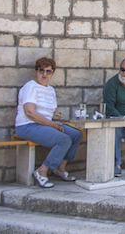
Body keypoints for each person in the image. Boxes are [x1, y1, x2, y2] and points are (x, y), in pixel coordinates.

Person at [15, 57, 82, 188]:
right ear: (36, 71)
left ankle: (60, 169)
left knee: (75, 134)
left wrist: (61, 122)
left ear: (52, 73)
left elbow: (54, 113)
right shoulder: (30, 87)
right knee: (63, 140)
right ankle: (42, 171)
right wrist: (53, 125)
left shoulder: (50, 90)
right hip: (27, 125)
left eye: (48, 71)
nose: (44, 74)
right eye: (41, 71)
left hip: (45, 124)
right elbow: (30, 112)